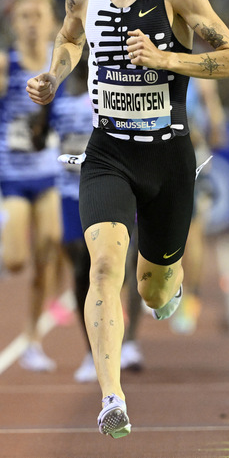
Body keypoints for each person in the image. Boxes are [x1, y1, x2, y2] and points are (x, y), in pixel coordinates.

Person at [26, 0, 229, 438]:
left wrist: (166, 58)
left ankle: (166, 291)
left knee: (151, 289)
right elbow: (70, 38)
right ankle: (112, 398)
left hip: (169, 158)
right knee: (103, 266)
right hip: (108, 155)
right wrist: (55, 75)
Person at [0, 0, 63, 373]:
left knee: (51, 248)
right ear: (14, 23)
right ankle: (4, 248)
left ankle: (33, 339)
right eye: (25, 16)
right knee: (18, 262)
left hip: (51, 174)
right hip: (13, 175)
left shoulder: (64, 59)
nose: (33, 23)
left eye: (39, 16)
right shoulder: (0, 64)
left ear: (53, 21)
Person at [49, 59, 146, 383]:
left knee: (126, 263)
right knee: (80, 268)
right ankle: (92, 349)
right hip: (70, 191)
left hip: (115, 185)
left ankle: (129, 340)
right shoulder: (60, 98)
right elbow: (37, 136)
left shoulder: (114, 85)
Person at [173, 78, 229, 335]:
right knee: (188, 232)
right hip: (184, 158)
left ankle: (187, 299)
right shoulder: (201, 78)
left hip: (185, 159)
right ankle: (185, 299)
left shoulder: (197, 79)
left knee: (190, 233)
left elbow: (217, 132)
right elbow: (219, 134)